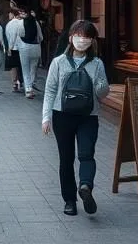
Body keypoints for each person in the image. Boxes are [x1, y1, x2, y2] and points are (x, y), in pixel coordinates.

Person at [41, 20, 110, 216]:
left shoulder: (97, 64)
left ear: (92, 41)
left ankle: (85, 187)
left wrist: (99, 82)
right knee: (66, 159)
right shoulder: (59, 62)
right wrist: (45, 118)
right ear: (70, 38)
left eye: (87, 36)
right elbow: (50, 90)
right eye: (79, 35)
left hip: (88, 116)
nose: (82, 39)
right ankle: (69, 200)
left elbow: (103, 93)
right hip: (62, 115)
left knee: (86, 154)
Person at [18, 10, 44, 99]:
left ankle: (28, 89)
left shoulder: (20, 23)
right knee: (33, 69)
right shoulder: (36, 22)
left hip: (24, 47)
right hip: (36, 47)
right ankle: (31, 87)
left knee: (25, 70)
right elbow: (41, 37)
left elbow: (20, 34)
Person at [4, 9, 24, 93]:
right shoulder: (22, 22)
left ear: (13, 14)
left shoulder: (10, 23)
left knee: (14, 67)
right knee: (22, 66)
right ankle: (22, 82)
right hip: (22, 47)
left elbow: (10, 36)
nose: (9, 15)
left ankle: (15, 83)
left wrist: (9, 47)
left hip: (13, 47)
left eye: (9, 13)